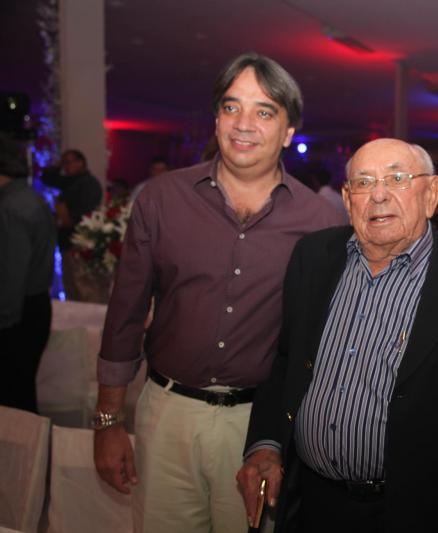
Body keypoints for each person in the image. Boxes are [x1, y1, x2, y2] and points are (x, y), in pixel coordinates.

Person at [92, 52, 345, 533]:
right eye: (232, 107)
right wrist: (108, 421)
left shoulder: (322, 222)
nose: (244, 124)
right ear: (216, 120)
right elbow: (125, 314)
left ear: (288, 132)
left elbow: (324, 342)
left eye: (264, 111)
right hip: (167, 415)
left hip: (260, 431)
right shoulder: (162, 200)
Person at [237, 138, 438, 533]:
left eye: (397, 179)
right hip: (310, 503)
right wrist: (266, 443)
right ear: (347, 198)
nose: (379, 195)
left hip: (418, 513)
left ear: (431, 193)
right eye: (363, 182)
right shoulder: (312, 258)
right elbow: (285, 361)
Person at [0, 134, 56, 413]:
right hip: (34, 306)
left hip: (18, 312)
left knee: (13, 399)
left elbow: (11, 276)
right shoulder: (30, 197)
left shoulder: (10, 207)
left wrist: (4, 321)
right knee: (20, 392)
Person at [40, 148, 102, 300]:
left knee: (81, 287)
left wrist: (66, 218)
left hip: (81, 242)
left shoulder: (89, 183)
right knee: (70, 286)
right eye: (64, 163)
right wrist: (58, 165)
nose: (65, 167)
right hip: (68, 240)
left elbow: (86, 212)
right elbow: (46, 178)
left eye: (68, 162)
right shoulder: (69, 181)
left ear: (81, 163)